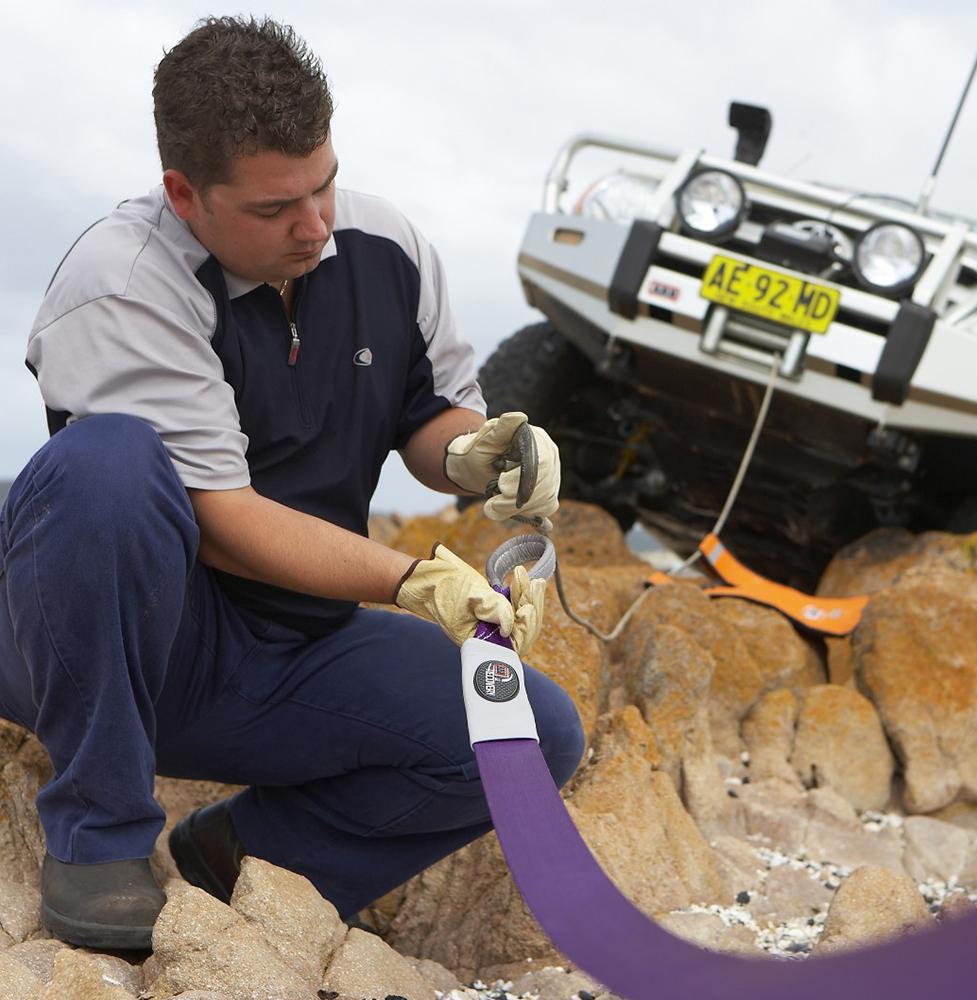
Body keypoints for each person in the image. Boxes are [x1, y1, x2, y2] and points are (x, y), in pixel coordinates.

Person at [0, 15, 584, 951]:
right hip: (115, 642)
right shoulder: (124, 283)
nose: (315, 227)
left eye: (325, 185)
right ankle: (98, 837)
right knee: (106, 465)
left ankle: (241, 859)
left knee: (533, 735)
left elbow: (425, 416)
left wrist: (479, 453)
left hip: (285, 651)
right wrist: (411, 579)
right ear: (184, 193)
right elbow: (225, 523)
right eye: (275, 209)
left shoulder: (384, 245)